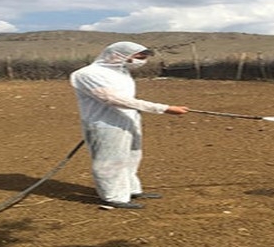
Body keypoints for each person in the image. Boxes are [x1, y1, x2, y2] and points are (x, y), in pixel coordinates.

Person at [70, 41, 188, 210]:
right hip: (106, 123)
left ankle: (130, 189)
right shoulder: (88, 74)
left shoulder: (122, 72)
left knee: (132, 157)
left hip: (129, 119)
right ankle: (113, 196)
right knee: (110, 160)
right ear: (117, 55)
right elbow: (114, 99)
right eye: (138, 57)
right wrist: (164, 109)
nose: (141, 60)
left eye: (144, 57)